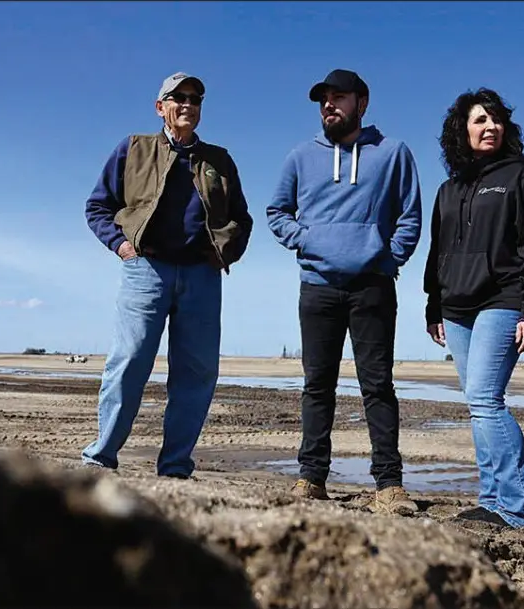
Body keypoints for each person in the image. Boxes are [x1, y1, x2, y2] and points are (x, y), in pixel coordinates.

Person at [82, 72, 253, 479]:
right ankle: (100, 459)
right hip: (146, 269)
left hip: (202, 277)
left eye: (195, 99)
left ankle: (175, 468)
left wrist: (224, 252)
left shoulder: (219, 160)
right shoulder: (134, 148)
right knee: (128, 363)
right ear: (161, 107)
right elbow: (97, 207)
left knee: (196, 372)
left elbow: (241, 218)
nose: (188, 105)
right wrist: (122, 247)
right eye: (179, 98)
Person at [266, 69, 423, 515]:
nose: (329, 106)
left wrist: (387, 259)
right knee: (317, 385)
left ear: (362, 101)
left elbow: (410, 214)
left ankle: (389, 486)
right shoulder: (301, 156)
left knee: (378, 386)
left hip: (372, 286)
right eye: (323, 100)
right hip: (317, 286)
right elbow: (277, 211)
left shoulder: (393, 153)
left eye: (338, 98)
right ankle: (311, 478)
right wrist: (307, 241)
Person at [423, 87, 524, 530]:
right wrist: (433, 306)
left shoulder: (520, 176)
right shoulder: (448, 189)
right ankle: (493, 499)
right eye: (480, 120)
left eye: (496, 120)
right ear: (462, 129)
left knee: (485, 399)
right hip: (456, 308)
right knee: (476, 402)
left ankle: (521, 510)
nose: (490, 127)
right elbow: (436, 249)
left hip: (503, 299)